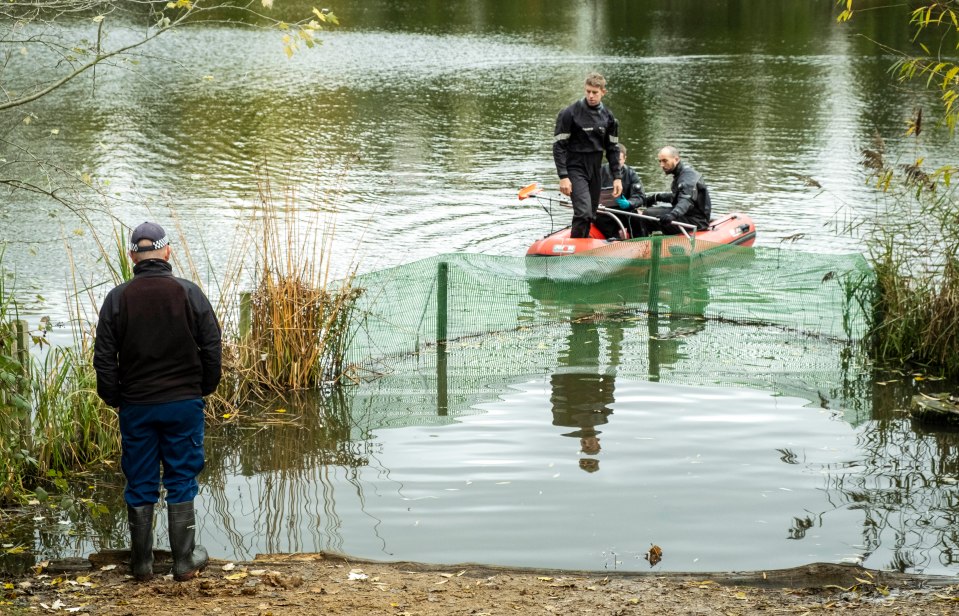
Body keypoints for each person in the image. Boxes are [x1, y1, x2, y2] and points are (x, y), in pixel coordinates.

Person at [93, 222, 222, 582]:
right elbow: (213, 347)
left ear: (133, 255)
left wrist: (116, 397)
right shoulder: (189, 293)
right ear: (167, 252)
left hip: (137, 406)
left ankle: (142, 564)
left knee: (140, 479)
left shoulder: (118, 298)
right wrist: (203, 388)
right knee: (182, 477)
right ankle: (184, 561)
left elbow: (103, 358)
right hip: (183, 403)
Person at [553, 72, 623, 238]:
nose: (591, 96)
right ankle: (573, 250)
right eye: (588, 91)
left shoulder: (609, 117)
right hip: (575, 167)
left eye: (595, 92)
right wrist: (563, 176)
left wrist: (617, 177)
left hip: (595, 168)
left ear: (603, 92)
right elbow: (559, 147)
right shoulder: (569, 113)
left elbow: (613, 149)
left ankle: (581, 245)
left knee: (591, 214)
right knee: (583, 212)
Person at [641, 145, 712, 236]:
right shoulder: (680, 174)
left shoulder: (688, 177)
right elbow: (677, 196)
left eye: (665, 161)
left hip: (696, 221)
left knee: (648, 213)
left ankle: (642, 242)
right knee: (650, 211)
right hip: (688, 214)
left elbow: (686, 200)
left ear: (676, 159)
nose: (661, 165)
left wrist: (673, 215)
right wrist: (656, 197)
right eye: (660, 161)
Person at [595, 143, 646, 239]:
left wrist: (629, 203)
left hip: (624, 211)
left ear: (625, 158)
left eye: (619, 160)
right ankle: (613, 240)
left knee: (635, 218)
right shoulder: (599, 172)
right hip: (604, 212)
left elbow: (640, 196)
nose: (615, 164)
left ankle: (639, 240)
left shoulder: (631, 174)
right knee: (597, 218)